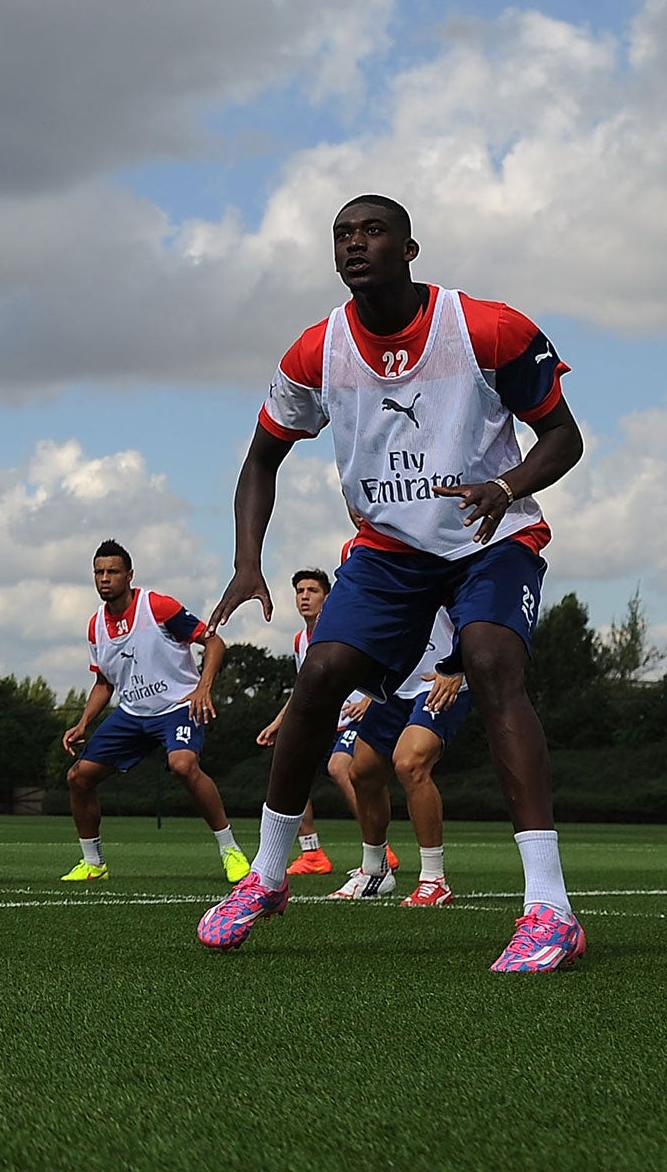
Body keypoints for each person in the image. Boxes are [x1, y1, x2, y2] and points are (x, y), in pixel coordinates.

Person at [199, 195, 585, 972]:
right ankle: (267, 878)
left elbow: (563, 437)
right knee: (321, 673)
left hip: (491, 534)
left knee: (489, 660)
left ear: (410, 248)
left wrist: (505, 486)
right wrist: (248, 560)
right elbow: (261, 460)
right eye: (342, 233)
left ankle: (550, 908)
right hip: (389, 549)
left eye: (372, 231)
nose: (355, 244)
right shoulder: (317, 352)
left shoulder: (487, 328)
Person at [60, 541, 247, 884]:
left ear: (129, 575)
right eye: (99, 572)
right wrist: (83, 722)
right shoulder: (95, 626)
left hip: (177, 707)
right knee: (78, 777)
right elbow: (104, 682)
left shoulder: (158, 606)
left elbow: (214, 642)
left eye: (113, 572)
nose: (105, 579)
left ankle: (230, 851)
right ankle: (93, 863)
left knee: (183, 766)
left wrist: (203, 688)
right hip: (132, 715)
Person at [332, 601, 469, 906]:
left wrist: (458, 664)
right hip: (396, 682)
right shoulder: (365, 554)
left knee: (410, 764)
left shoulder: (456, 554)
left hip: (441, 679)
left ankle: (435, 880)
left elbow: (473, 614)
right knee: (362, 772)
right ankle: (374, 872)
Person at [257, 567, 375, 877]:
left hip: (354, 719)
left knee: (340, 767)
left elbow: (380, 666)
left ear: (327, 597)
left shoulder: (343, 629)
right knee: (292, 767)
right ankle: (312, 854)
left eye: (313, 591)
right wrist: (278, 722)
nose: (305, 597)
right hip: (325, 720)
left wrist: (368, 700)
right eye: (300, 591)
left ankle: (378, 847)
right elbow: (302, 689)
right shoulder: (300, 641)